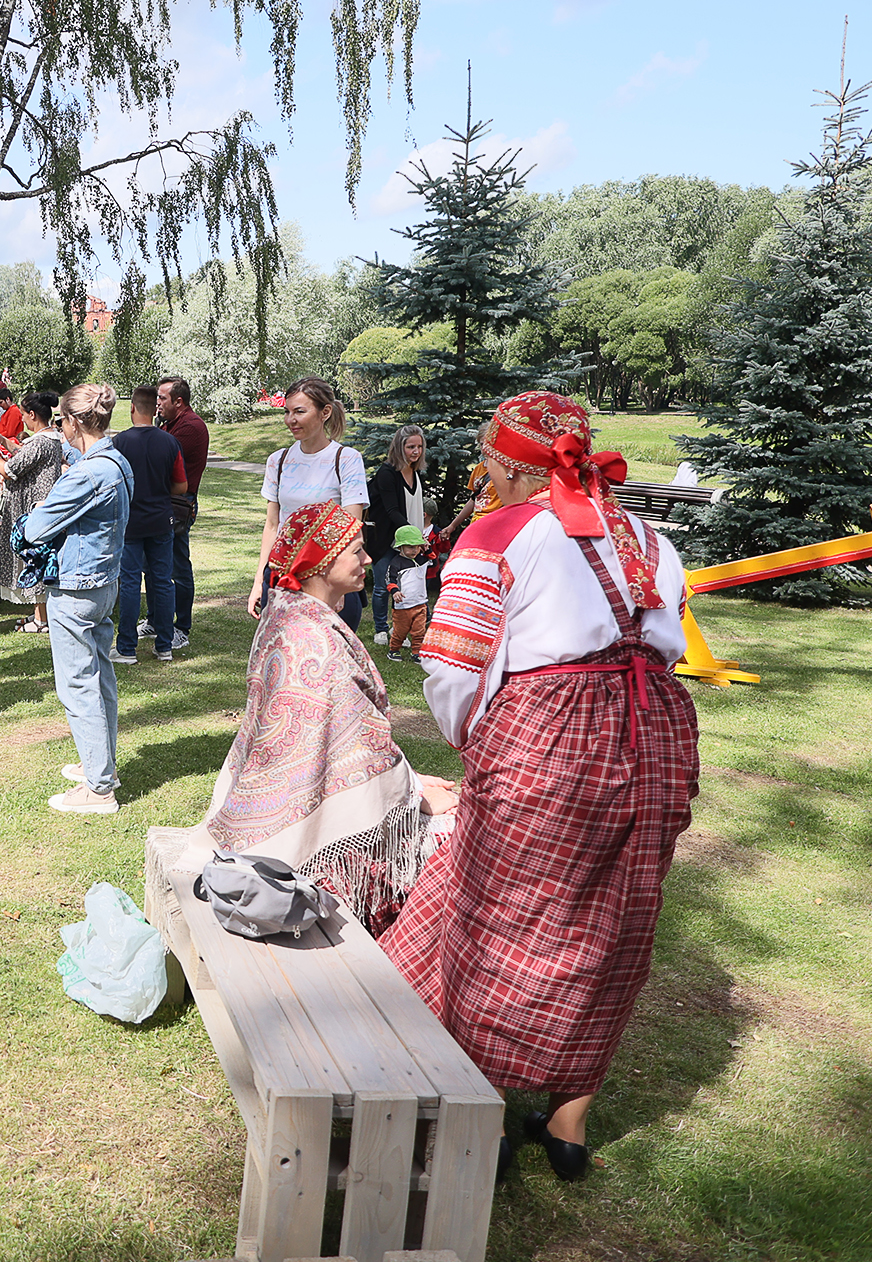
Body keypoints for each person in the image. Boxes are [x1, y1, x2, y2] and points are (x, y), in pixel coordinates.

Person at [379, 391, 698, 1184]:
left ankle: (481, 1115)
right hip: (655, 734)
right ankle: (567, 1125)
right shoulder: (651, 539)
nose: (484, 476)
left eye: (489, 462)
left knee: (505, 913)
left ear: (511, 465)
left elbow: (452, 666)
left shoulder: (499, 533)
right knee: (613, 918)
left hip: (550, 736)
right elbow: (667, 643)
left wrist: (478, 738)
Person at [193, 502, 457, 930]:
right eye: (356, 551)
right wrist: (413, 795)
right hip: (304, 842)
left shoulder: (286, 610)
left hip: (266, 805)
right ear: (320, 563)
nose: (368, 560)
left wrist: (411, 779)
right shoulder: (314, 639)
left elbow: (344, 742)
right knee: (457, 839)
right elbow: (358, 748)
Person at [24, 383, 134, 815]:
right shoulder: (116, 461)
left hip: (76, 589)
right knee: (100, 676)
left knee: (78, 684)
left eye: (61, 421)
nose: (59, 428)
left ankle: (99, 789)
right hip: (105, 584)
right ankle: (101, 765)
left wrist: (39, 509)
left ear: (72, 422)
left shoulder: (87, 475)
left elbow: (36, 529)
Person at [251, 377, 368, 629]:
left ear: (325, 412)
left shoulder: (346, 459)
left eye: (299, 412)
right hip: (283, 579)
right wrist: (259, 580)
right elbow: (272, 525)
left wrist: (340, 587)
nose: (290, 420)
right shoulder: (278, 461)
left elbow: (351, 527)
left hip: (330, 579)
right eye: (287, 412)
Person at [110, 385, 187, 664]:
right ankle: (164, 645)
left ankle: (127, 647)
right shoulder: (169, 442)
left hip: (130, 522)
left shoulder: (119, 443)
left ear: (132, 407)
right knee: (163, 581)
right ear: (155, 409)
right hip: (161, 520)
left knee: (130, 582)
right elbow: (181, 485)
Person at [0, 392, 65, 633]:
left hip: (31, 508)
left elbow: (7, 470)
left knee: (33, 557)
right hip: (41, 506)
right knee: (38, 557)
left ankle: (41, 620)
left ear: (33, 415)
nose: (23, 419)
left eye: (24, 415)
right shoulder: (51, 438)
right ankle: (39, 614)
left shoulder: (39, 443)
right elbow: (25, 456)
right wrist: (5, 443)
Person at [155, 377, 209, 648]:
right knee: (154, 563)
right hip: (163, 501)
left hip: (178, 504)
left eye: (162, 398)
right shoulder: (170, 424)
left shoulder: (190, 427)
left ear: (179, 401)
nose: (157, 403)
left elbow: (158, 459)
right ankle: (155, 619)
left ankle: (181, 627)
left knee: (178, 564)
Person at [367, 424, 429, 646]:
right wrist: (414, 536)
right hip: (385, 539)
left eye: (419, 447)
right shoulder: (387, 473)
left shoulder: (415, 471)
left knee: (404, 587)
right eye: (410, 447)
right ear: (399, 447)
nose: (416, 451)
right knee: (383, 586)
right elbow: (392, 510)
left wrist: (416, 538)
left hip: (408, 541)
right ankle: (380, 629)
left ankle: (398, 629)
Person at [383, 525, 430, 661]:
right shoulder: (396, 563)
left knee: (419, 630)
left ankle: (417, 652)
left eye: (417, 546)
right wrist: (395, 591)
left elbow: (433, 560)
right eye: (410, 547)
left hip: (420, 603)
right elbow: (389, 580)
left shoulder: (421, 560)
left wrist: (427, 548)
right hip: (402, 606)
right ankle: (394, 650)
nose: (415, 550)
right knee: (400, 631)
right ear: (400, 547)